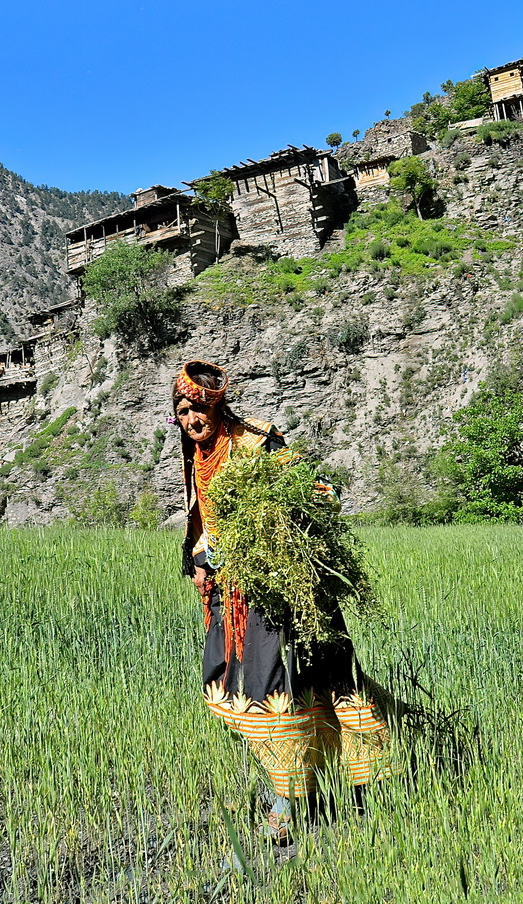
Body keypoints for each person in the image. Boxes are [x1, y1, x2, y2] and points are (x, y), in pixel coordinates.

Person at [173, 360, 395, 840]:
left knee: (282, 688)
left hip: (279, 592)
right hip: (231, 594)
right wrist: (196, 562)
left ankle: (292, 803)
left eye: (199, 409)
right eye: (183, 411)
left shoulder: (256, 441)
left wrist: (272, 529)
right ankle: (301, 788)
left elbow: (317, 491)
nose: (192, 420)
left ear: (218, 406)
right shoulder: (196, 454)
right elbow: (200, 517)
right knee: (241, 690)